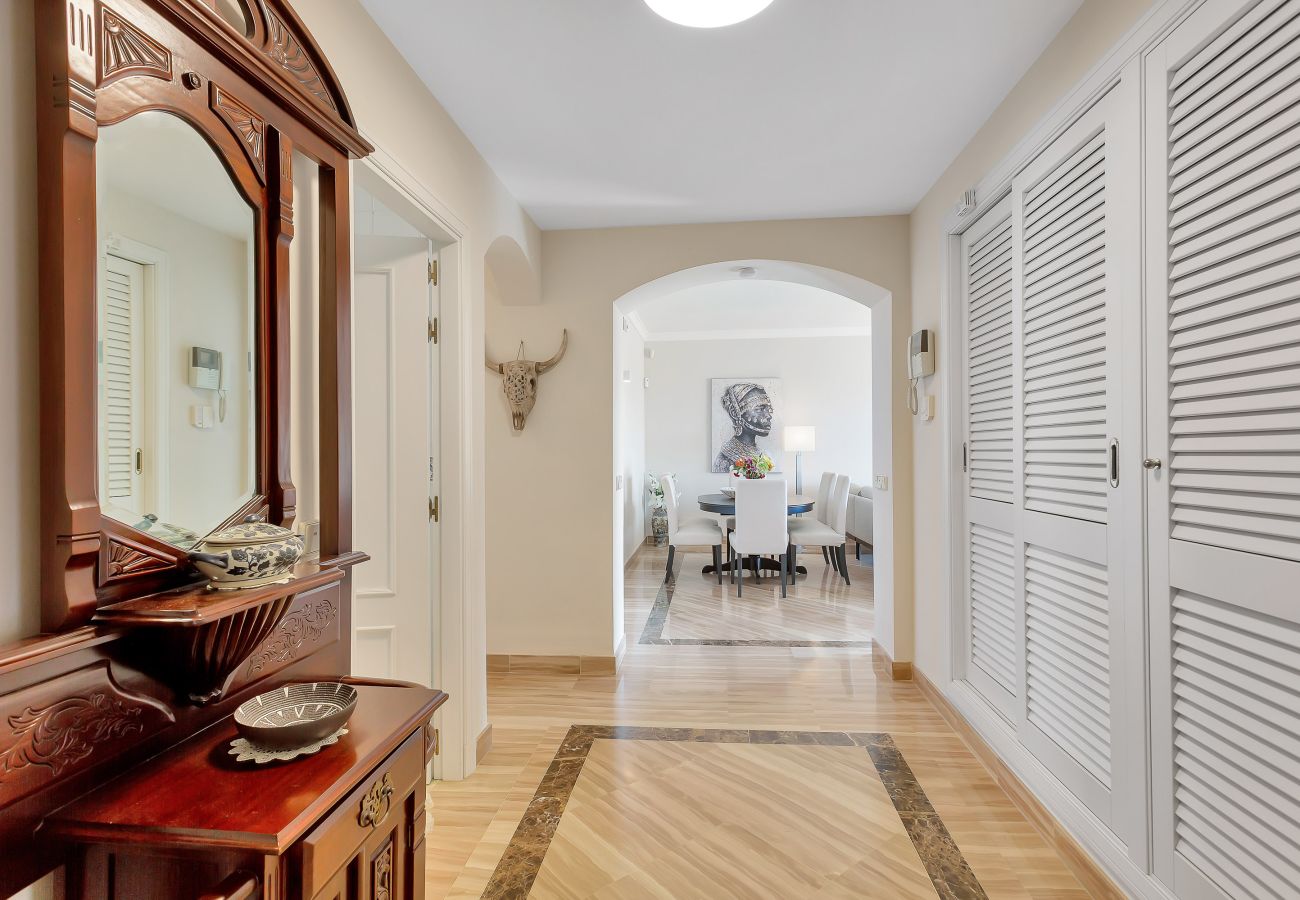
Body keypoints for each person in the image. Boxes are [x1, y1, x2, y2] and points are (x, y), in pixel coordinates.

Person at [713, 382, 773, 472]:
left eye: (768, 409)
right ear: (734, 413)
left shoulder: (764, 454)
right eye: (759, 409)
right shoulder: (725, 460)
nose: (769, 415)